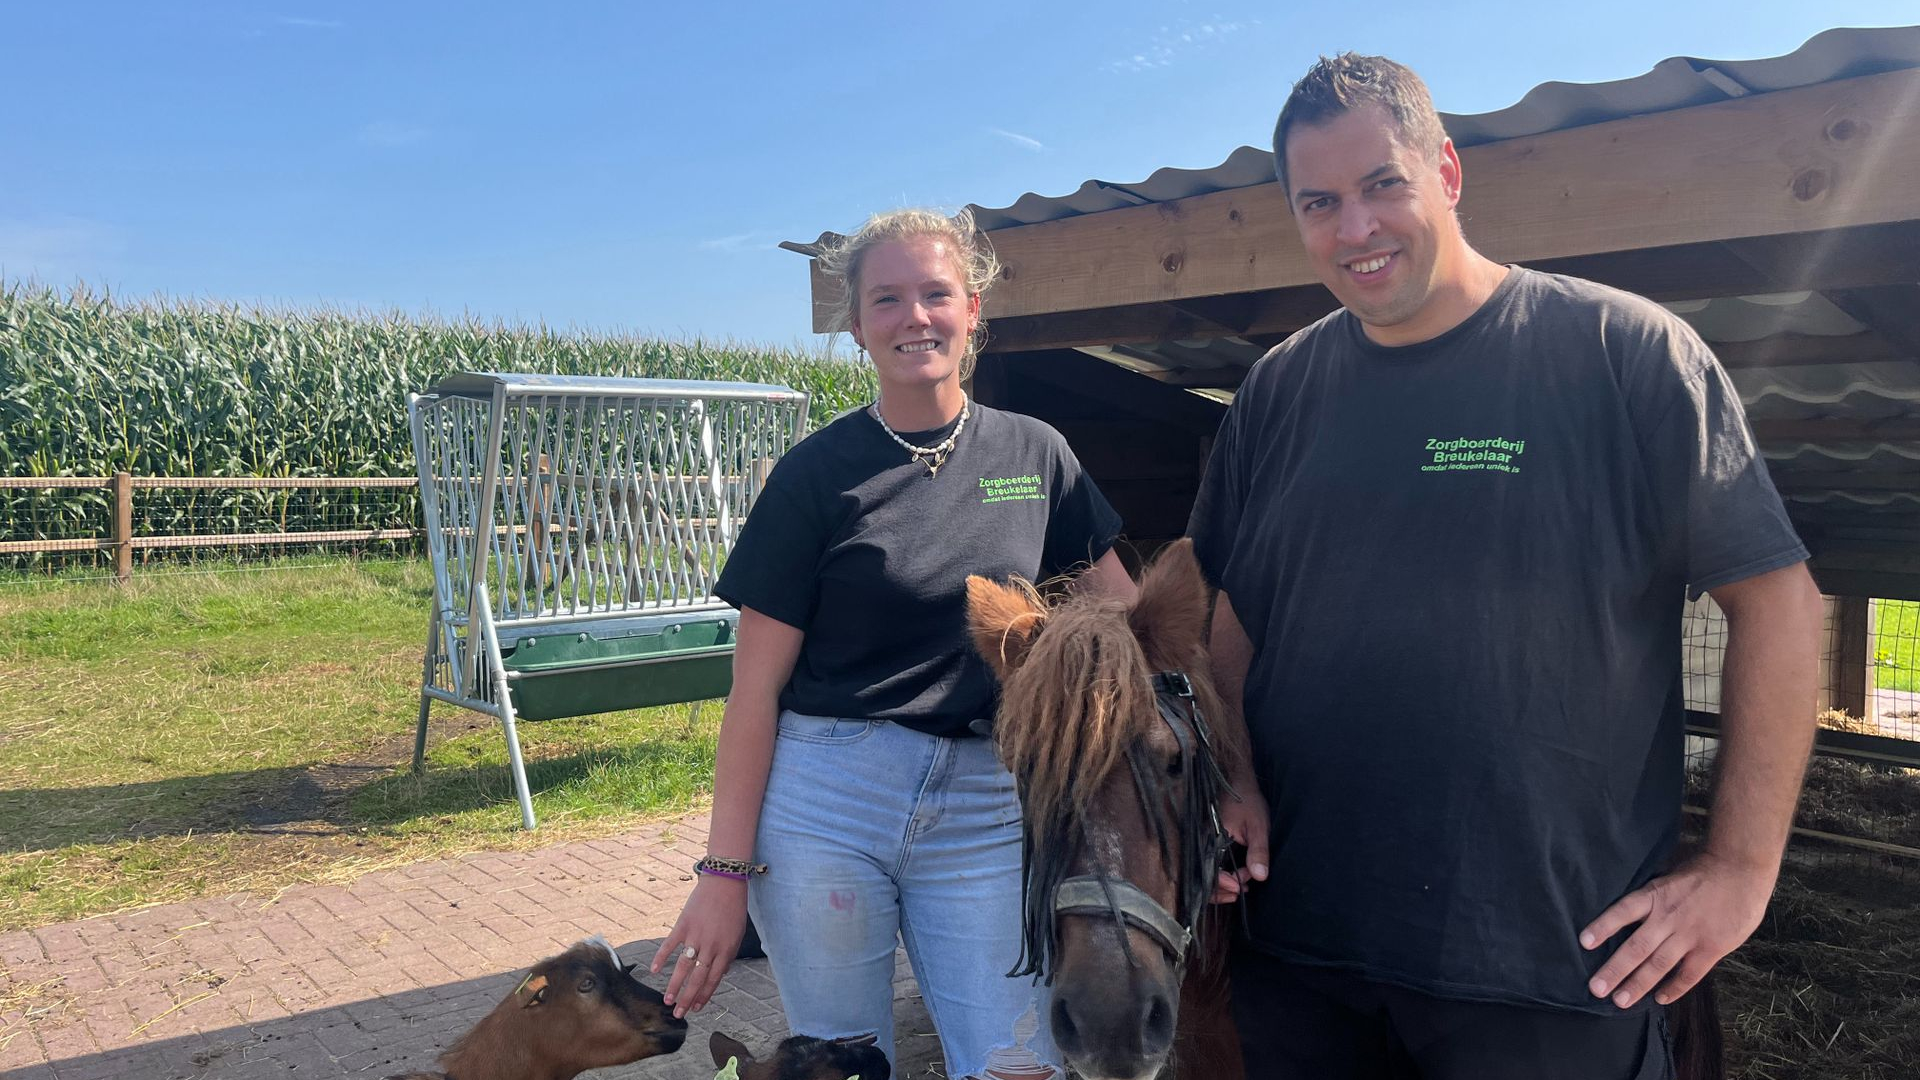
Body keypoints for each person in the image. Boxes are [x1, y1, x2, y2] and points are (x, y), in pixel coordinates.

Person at [1187, 53, 1825, 1079]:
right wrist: (1237, 774)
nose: (1354, 229)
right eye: (1320, 202)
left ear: (1446, 170)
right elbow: (1233, 617)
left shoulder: (1623, 354)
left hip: (1551, 963)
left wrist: (1742, 869)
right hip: (1299, 950)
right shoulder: (1277, 393)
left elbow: (1779, 603)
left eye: (1382, 184)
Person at [648, 207, 1134, 1078]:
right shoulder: (815, 475)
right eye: (887, 300)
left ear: (973, 307)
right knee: (844, 1067)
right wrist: (723, 873)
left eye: (935, 293)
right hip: (827, 805)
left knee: (1018, 1066)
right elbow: (754, 692)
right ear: (858, 325)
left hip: (990, 803)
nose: (915, 317)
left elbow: (1131, 634)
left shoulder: (1038, 455)